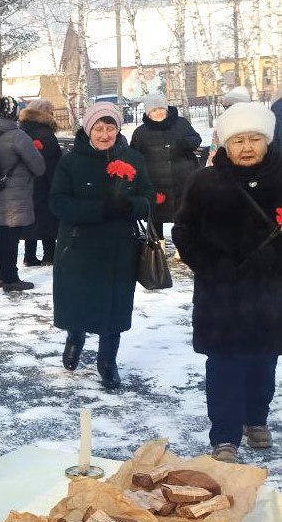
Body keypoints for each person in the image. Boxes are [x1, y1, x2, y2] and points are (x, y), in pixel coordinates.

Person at [172, 102, 282, 463]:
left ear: (267, 141)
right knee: (224, 367)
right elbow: (184, 230)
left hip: (271, 294)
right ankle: (225, 438)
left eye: (254, 139)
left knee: (264, 363)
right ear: (225, 143)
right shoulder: (204, 181)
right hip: (221, 295)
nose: (247, 147)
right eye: (238, 140)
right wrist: (209, 265)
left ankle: (256, 420)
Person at [50, 101, 154, 391]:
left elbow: (148, 197)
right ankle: (75, 336)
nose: (105, 134)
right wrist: (100, 210)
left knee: (115, 306)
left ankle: (107, 362)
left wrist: (130, 205)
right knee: (79, 300)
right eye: (99, 128)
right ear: (88, 129)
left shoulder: (132, 157)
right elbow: (58, 202)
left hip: (119, 248)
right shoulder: (70, 161)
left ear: (118, 129)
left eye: (110, 128)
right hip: (78, 246)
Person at [0, 96, 45, 292]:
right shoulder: (18, 136)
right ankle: (11, 279)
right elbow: (38, 166)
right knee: (11, 238)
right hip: (15, 196)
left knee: (0, 236)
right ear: (13, 113)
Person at [129, 92, 201, 236]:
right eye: (154, 110)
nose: (159, 112)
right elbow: (134, 157)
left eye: (161, 109)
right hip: (155, 184)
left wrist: (186, 142)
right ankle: (157, 249)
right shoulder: (141, 132)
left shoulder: (181, 123)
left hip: (182, 180)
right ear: (148, 113)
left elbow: (196, 139)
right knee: (156, 218)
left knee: (184, 216)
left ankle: (182, 250)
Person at [18, 98, 63, 266]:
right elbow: (50, 162)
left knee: (30, 219)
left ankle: (29, 256)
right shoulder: (45, 133)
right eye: (50, 111)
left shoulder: (22, 129)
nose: (52, 115)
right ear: (44, 113)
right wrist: (56, 184)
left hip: (25, 181)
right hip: (43, 182)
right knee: (47, 219)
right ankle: (49, 255)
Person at [206, 85, 251, 165]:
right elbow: (214, 150)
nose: (227, 109)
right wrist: (210, 169)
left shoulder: (253, 126)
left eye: (230, 106)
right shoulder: (222, 125)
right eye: (226, 107)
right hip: (225, 170)